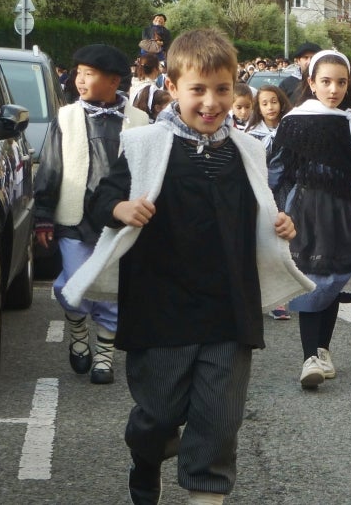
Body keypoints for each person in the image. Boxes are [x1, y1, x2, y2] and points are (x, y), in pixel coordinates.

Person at [59, 29, 314, 505]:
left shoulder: (247, 151)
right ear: (173, 88)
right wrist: (121, 210)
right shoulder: (144, 145)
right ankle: (148, 455)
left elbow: (262, 209)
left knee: (219, 419)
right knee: (157, 415)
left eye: (222, 89)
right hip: (160, 306)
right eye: (198, 89)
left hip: (229, 307)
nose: (211, 102)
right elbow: (101, 200)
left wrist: (279, 224)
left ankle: (206, 491)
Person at [34, 44, 150, 385]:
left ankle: (104, 354)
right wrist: (43, 214)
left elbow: (149, 169)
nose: (79, 80)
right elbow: (51, 166)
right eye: (78, 72)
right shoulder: (67, 117)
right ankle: (77, 325)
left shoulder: (139, 120)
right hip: (75, 216)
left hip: (118, 218)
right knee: (73, 285)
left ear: (114, 81)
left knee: (112, 288)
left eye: (89, 74)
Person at [269, 49, 351, 389]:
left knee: (334, 278)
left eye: (341, 82)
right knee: (312, 279)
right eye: (325, 81)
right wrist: (277, 211)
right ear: (311, 82)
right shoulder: (295, 120)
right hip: (305, 209)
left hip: (341, 210)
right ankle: (310, 355)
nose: (333, 89)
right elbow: (277, 170)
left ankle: (322, 351)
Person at [247, 84, 294, 320]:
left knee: (282, 242)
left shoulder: (291, 128)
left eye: (273, 101)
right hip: (259, 192)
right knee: (260, 242)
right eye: (264, 103)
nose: (270, 107)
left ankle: (280, 300)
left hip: (285, 191)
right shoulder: (251, 133)